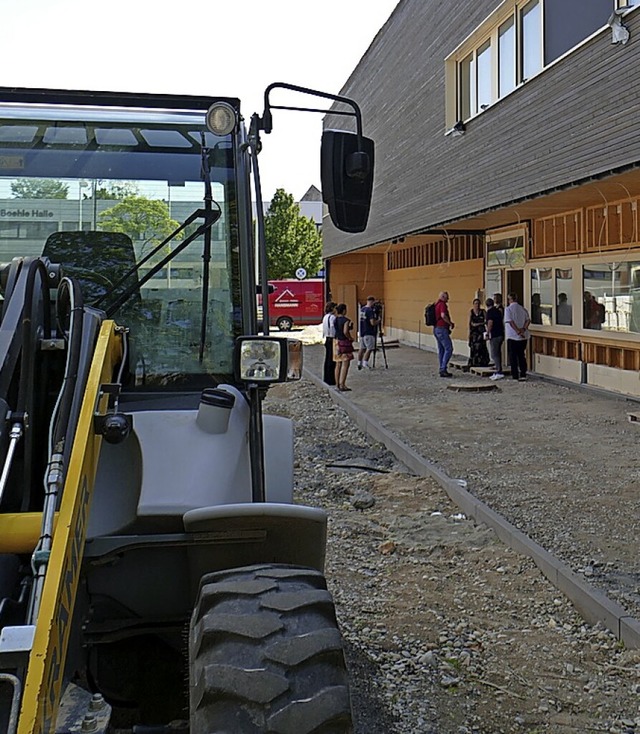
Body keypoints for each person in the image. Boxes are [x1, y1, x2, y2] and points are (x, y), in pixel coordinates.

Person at [504, 292, 530, 381]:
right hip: (523, 336)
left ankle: (515, 374)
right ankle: (523, 373)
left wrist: (517, 331)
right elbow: (528, 320)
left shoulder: (508, 309)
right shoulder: (523, 309)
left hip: (512, 336)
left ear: (510, 300)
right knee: (521, 355)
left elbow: (510, 322)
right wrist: (523, 329)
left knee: (513, 356)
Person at [333, 303, 355, 391]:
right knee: (345, 364)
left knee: (338, 364)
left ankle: (337, 383)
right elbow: (345, 331)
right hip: (344, 342)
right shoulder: (346, 320)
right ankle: (343, 384)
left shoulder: (335, 319)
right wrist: (350, 337)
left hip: (336, 341)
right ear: (344, 310)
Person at [434, 291, 455, 377]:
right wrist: (450, 323)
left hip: (436, 329)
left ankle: (441, 368)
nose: (448, 299)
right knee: (449, 348)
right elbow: (443, 315)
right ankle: (443, 368)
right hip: (442, 329)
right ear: (443, 297)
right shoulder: (442, 305)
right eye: (447, 297)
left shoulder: (436, 304)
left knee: (441, 350)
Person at [358, 295, 380, 370]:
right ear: (372, 301)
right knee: (369, 348)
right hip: (369, 332)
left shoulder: (362, 309)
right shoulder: (370, 310)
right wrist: (378, 321)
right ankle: (365, 362)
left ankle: (359, 362)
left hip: (362, 331)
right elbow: (372, 323)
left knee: (362, 348)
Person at [485, 297, 505, 380]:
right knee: (498, 352)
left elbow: (490, 323)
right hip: (501, 333)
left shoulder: (490, 312)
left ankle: (499, 371)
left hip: (495, 334)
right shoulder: (498, 311)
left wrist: (487, 333)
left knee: (494, 354)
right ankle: (498, 368)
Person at [468, 298, 490, 367]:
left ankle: (483, 361)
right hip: (474, 332)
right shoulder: (471, 312)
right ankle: (474, 362)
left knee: (482, 346)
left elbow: (487, 321)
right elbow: (470, 323)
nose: (477, 305)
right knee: (473, 347)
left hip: (481, 332)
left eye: (478, 303)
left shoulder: (483, 312)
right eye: (475, 304)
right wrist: (469, 333)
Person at [321, 301, 337, 385]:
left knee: (327, 358)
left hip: (327, 338)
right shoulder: (332, 317)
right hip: (331, 338)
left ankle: (326, 377)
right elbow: (332, 327)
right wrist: (334, 335)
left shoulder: (325, 317)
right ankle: (331, 379)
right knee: (332, 359)